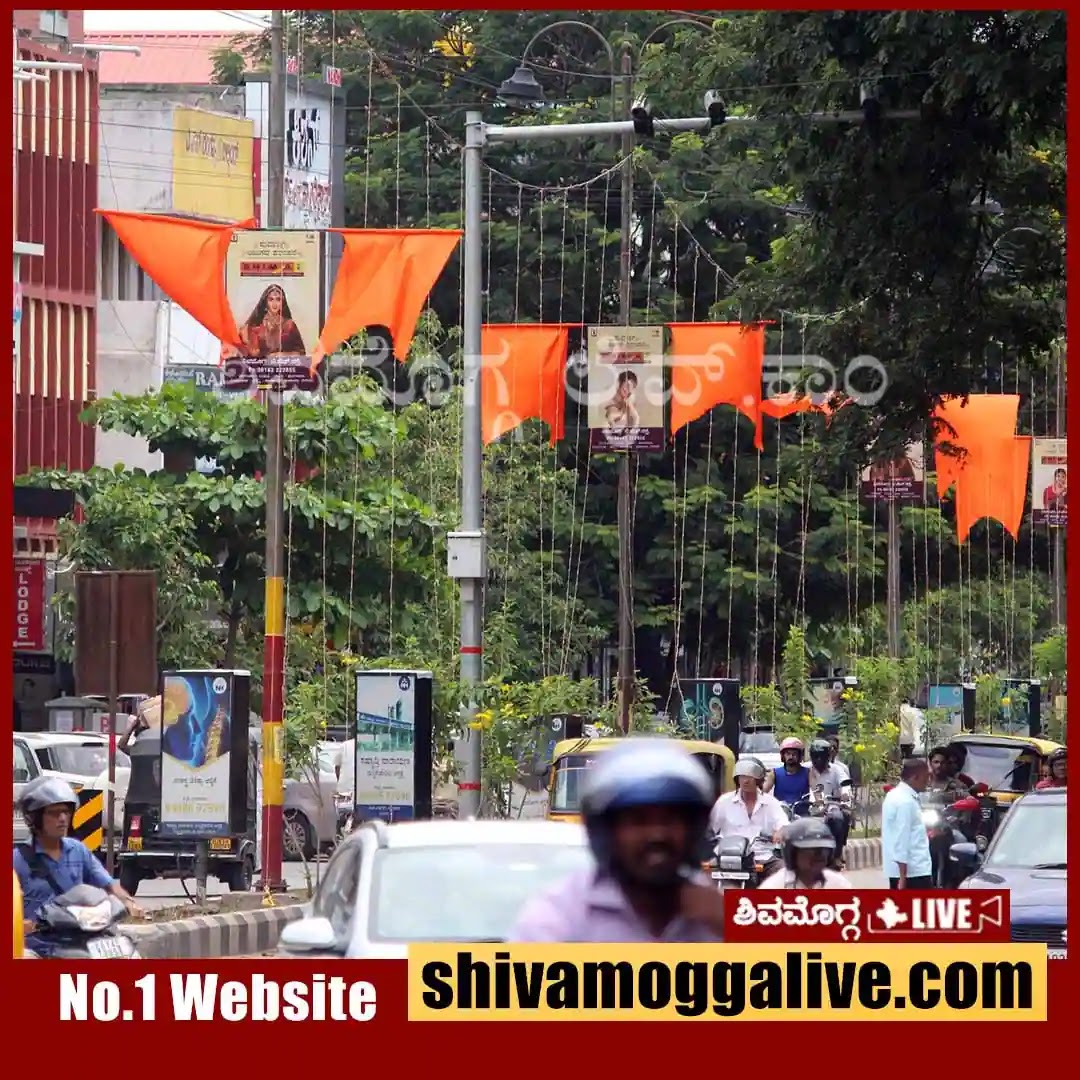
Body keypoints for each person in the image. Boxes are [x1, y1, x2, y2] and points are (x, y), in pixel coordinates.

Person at [510, 740, 726, 942]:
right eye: (638, 821)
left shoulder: (715, 911)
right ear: (606, 830)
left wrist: (730, 928)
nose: (657, 835)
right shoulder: (558, 920)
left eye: (670, 820)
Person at [14, 777, 145, 956]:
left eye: (66, 812)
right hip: (40, 947)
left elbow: (108, 884)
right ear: (34, 818)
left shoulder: (77, 850)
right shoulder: (18, 860)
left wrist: (128, 902)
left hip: (82, 940)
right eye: (54, 813)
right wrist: (23, 925)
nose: (62, 818)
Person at [709, 759, 788, 859]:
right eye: (742, 776)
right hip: (727, 856)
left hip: (762, 856)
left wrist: (780, 833)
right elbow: (710, 827)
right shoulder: (724, 801)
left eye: (750, 777)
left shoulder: (771, 802)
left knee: (785, 871)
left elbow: (783, 824)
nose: (745, 781)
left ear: (758, 780)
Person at [881, 758, 934, 890]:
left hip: (905, 871)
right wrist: (903, 878)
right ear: (915, 777)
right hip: (913, 873)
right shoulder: (905, 802)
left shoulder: (895, 795)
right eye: (926, 777)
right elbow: (901, 839)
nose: (928, 781)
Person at [761, 818, 853, 890]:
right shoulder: (775, 886)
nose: (819, 855)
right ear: (793, 853)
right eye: (811, 849)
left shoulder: (838, 885)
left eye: (823, 849)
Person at [808, 738, 854, 863]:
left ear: (828, 757)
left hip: (829, 806)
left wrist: (845, 795)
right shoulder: (806, 769)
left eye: (822, 757)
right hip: (807, 806)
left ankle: (836, 854)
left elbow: (845, 785)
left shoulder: (836, 770)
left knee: (839, 818)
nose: (818, 760)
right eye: (815, 757)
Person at [239, 284, 306, 358]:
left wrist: (282, 355)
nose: (274, 304)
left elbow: (301, 353)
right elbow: (251, 354)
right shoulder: (256, 326)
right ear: (266, 302)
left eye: (278, 299)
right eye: (271, 299)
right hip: (261, 368)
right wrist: (246, 341)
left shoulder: (289, 325)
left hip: (285, 368)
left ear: (282, 302)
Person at [764, 737, 811, 807]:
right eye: (788, 754)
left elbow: (817, 792)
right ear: (783, 756)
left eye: (794, 754)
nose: (791, 757)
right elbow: (763, 792)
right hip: (780, 812)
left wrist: (819, 802)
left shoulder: (808, 773)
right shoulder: (774, 773)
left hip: (803, 814)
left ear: (800, 756)